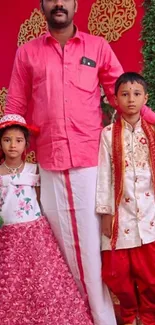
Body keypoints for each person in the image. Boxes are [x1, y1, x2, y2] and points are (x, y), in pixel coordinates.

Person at [4, 1, 155, 324]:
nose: (59, 4)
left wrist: (151, 118)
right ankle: (70, 317)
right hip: (48, 159)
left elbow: (121, 93)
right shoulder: (28, 53)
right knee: (56, 248)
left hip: (90, 161)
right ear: (42, 7)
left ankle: (102, 318)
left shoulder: (96, 47)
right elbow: (15, 104)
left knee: (91, 246)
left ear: (74, 5)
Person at [0, 113, 93, 325]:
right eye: (7, 140)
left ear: (26, 144)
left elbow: (43, 199)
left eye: (18, 140)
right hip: (7, 237)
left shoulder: (34, 169)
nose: (12, 145)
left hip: (35, 234)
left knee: (43, 279)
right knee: (11, 281)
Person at [96, 72, 155, 325]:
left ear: (146, 98)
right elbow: (104, 175)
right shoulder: (108, 134)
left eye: (137, 94)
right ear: (115, 100)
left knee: (151, 275)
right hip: (120, 215)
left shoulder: (152, 132)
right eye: (124, 94)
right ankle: (129, 316)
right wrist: (106, 211)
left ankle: (150, 317)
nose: (131, 99)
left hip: (151, 214)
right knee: (117, 274)